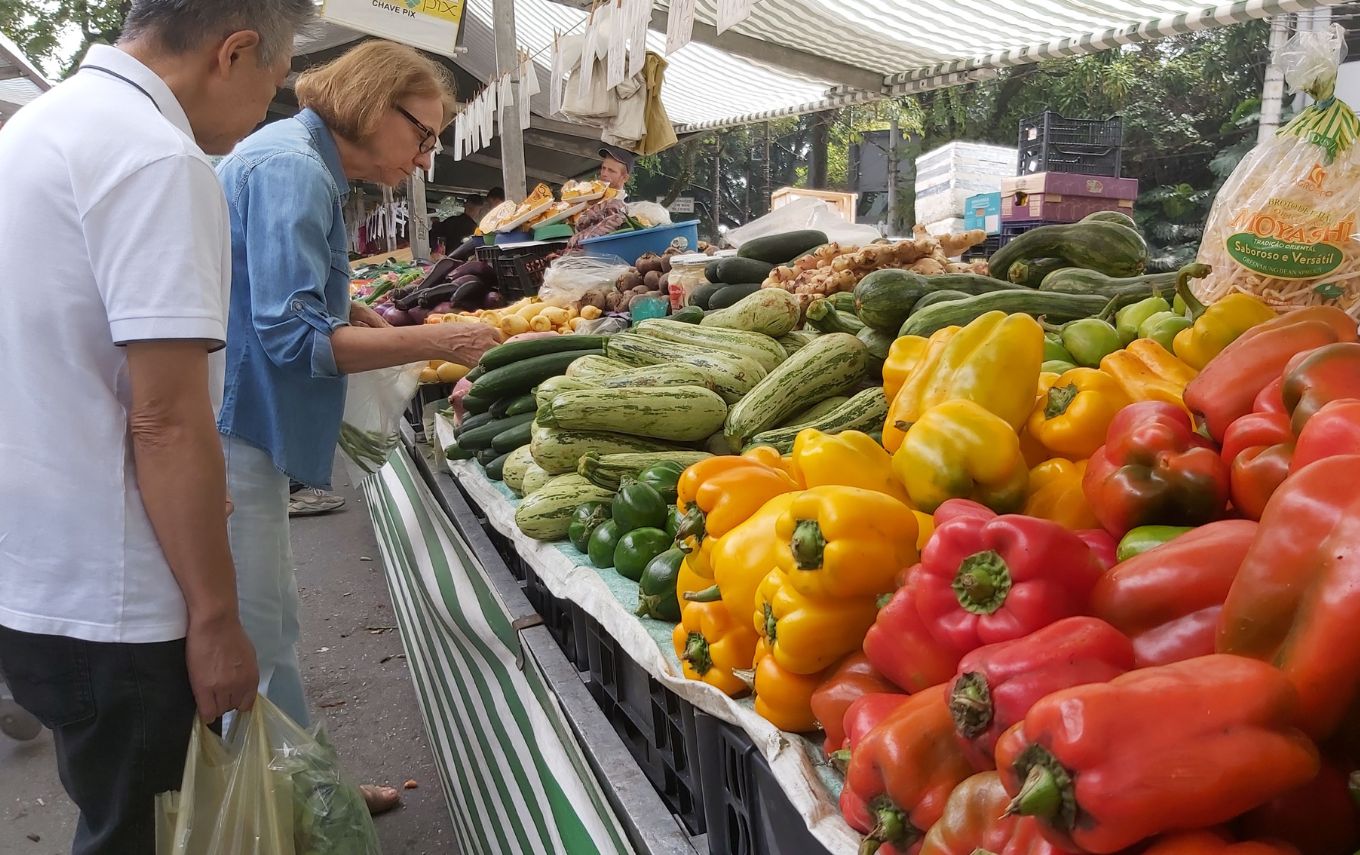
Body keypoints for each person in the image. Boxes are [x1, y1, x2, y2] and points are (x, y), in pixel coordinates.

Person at [0, 1, 314, 852]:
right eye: (274, 82)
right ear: (234, 51)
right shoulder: (156, 158)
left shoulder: (38, 128)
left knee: (117, 815)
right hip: (121, 597)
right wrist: (216, 618)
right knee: (144, 831)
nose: (266, 109)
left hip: (36, 575)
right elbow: (166, 417)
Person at [215, 39, 498, 813]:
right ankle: (298, 809)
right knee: (259, 634)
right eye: (424, 134)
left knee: (268, 622)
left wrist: (354, 308)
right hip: (234, 426)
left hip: (239, 420)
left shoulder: (296, 157)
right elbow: (294, 339)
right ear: (375, 106)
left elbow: (281, 292)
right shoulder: (294, 169)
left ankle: (304, 792)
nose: (426, 157)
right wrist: (437, 338)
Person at [430, 186, 504, 253]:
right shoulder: (475, 230)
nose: (490, 208)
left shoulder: (450, 221)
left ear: (465, 205)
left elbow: (432, 233)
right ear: (479, 209)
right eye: (490, 204)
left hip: (445, 259)